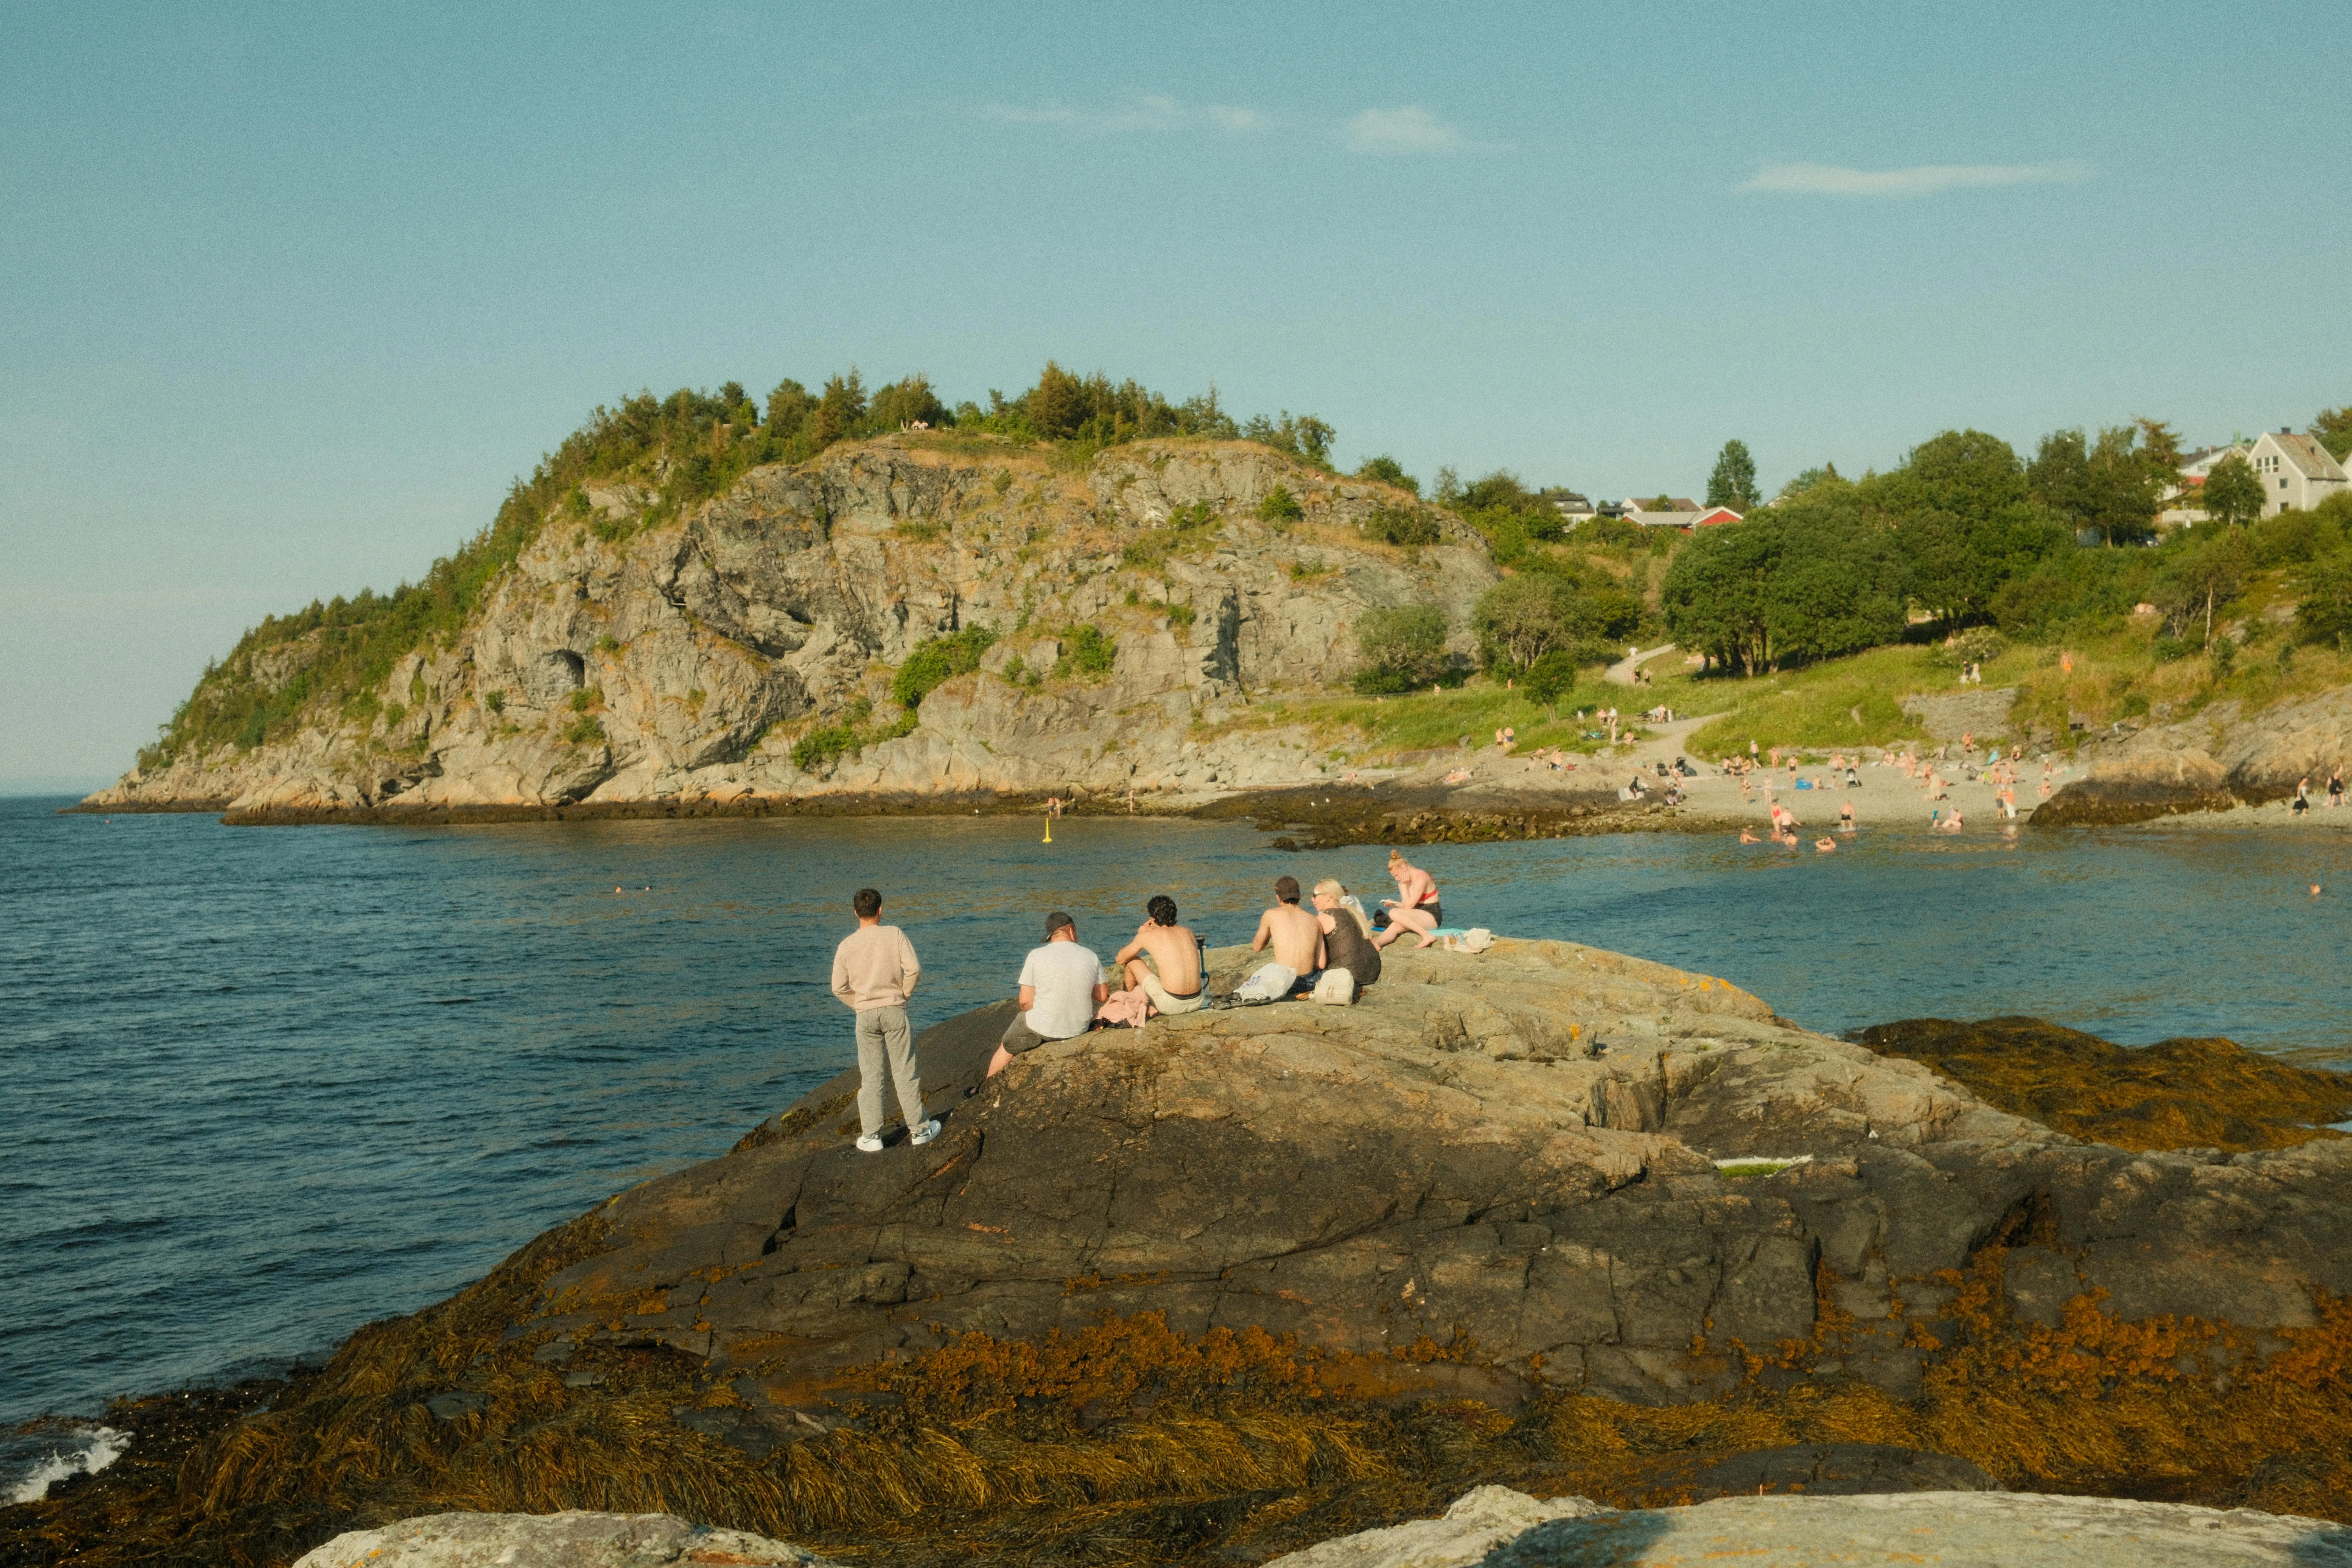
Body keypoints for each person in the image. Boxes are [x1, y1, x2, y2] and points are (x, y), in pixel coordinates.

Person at [830, 888, 940, 1151]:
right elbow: (914, 970)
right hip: (894, 1009)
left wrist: (860, 1004)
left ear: (856, 912)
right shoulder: (895, 934)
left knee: (871, 1077)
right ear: (881, 910)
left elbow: (838, 987)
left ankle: (871, 1136)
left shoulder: (846, 945)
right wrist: (903, 995)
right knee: (905, 1072)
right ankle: (920, 1131)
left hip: (865, 1015)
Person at [988, 911, 1108, 1076]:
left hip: (1043, 1028)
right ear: (1072, 931)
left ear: (1051, 935)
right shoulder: (1091, 956)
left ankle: (984, 1087)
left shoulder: (1036, 956)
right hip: (1079, 1029)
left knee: (1007, 1046)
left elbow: (1025, 1003)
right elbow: (1102, 996)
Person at [1115, 895, 1204, 1016]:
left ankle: (1130, 1010)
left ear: (1152, 919)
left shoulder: (1147, 936)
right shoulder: (1188, 932)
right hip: (1198, 1000)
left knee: (1132, 962)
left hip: (1172, 1004)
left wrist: (1142, 934)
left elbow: (1120, 959)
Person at [1251, 875, 1327, 989]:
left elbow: (1257, 947)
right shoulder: (1314, 920)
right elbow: (1321, 964)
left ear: (1278, 898)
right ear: (1299, 896)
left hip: (1285, 982)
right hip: (1309, 982)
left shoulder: (1270, 915)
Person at [1311, 878, 1382, 993]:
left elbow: (1320, 961)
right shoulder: (1352, 912)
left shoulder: (1323, 918)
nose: (1312, 899)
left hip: (1348, 975)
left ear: (1328, 897)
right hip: (1372, 972)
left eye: (1315, 895)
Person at [1373, 850, 1442, 949]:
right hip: (1416, 913)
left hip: (1431, 915)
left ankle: (1427, 936)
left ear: (1404, 867)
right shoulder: (1403, 881)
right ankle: (1378, 943)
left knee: (1393, 913)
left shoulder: (1421, 878)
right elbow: (1407, 906)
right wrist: (1395, 901)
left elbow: (1409, 906)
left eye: (1397, 875)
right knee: (1395, 926)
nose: (1396, 879)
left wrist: (1396, 904)